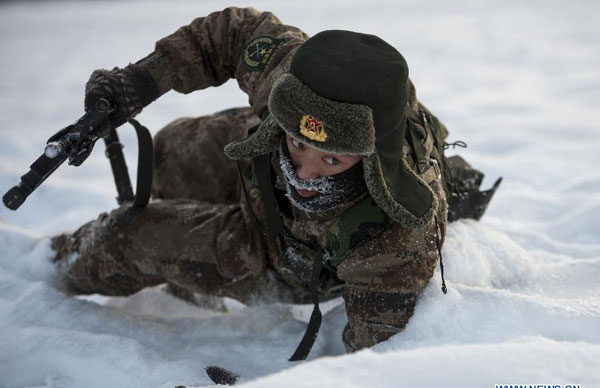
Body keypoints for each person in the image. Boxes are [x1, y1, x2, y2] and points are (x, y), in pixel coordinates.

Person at [51, 7, 498, 358]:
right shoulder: (299, 77)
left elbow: (377, 366)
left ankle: (47, 267)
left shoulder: (392, 244)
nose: (304, 174)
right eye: (299, 144)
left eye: (330, 159)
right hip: (261, 164)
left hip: (291, 253)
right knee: (172, 149)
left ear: (369, 158)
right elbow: (232, 32)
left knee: (123, 240)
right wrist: (135, 83)